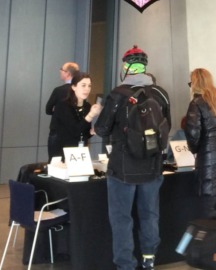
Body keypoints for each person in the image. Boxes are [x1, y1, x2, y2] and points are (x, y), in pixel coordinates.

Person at [94, 46, 170, 270]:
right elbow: (167, 126)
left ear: (126, 67)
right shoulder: (161, 94)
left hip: (122, 168)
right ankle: (149, 260)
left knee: (121, 219)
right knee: (149, 216)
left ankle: (125, 265)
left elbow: (102, 129)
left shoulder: (117, 94)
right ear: (145, 67)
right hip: (153, 165)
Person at [184, 68, 216, 217]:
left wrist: (195, 150)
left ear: (195, 84)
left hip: (208, 165)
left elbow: (193, 135)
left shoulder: (196, 104)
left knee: (208, 214)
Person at [48, 71, 101, 159]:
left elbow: (83, 132)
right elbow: (75, 130)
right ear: (74, 87)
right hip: (61, 149)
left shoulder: (87, 106)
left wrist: (92, 132)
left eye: (89, 86)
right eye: (83, 85)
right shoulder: (63, 105)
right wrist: (91, 115)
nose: (87, 89)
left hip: (79, 152)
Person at [45, 61, 79, 160]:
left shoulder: (58, 90)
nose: (60, 71)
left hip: (57, 131)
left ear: (67, 73)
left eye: (62, 69)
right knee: (70, 162)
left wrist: (56, 112)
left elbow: (48, 109)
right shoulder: (79, 90)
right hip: (74, 132)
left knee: (55, 161)